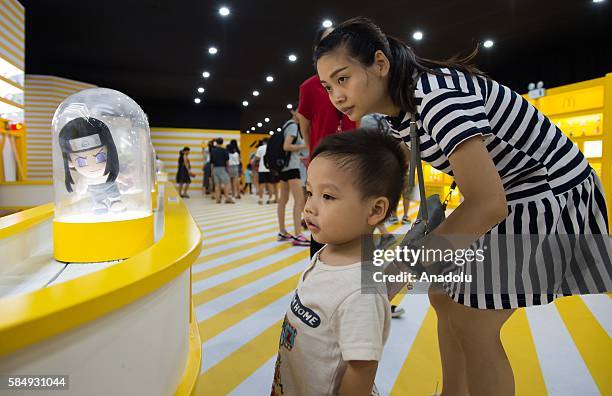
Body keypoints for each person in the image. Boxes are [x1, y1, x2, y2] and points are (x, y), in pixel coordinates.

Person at [314, 17, 610, 395]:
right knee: (441, 293)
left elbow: (488, 204)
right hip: (510, 192)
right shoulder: (398, 115)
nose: (335, 95)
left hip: (546, 192)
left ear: (380, 64)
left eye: (343, 78)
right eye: (327, 86)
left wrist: (397, 273)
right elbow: (388, 186)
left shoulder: (437, 98)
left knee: (474, 323)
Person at [271, 129, 406, 396]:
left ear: (376, 210)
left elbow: (362, 369)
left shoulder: (359, 292)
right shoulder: (327, 253)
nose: (309, 206)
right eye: (310, 192)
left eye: (328, 197)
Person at [296, 25, 358, 258]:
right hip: (323, 160)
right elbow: (304, 121)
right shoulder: (309, 86)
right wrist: (312, 150)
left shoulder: (354, 79)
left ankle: (353, 272)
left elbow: (357, 119)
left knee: (353, 214)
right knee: (320, 220)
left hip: (352, 158)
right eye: (328, 41)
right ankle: (317, 274)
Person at [276, 111, 309, 246]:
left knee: (283, 199)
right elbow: (287, 146)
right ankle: (298, 235)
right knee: (299, 200)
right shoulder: (293, 126)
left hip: (284, 167)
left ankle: (282, 232)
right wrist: (305, 146)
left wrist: (300, 156)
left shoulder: (286, 125)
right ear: (294, 112)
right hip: (292, 168)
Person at [210, 137, 233, 204]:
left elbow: (212, 163)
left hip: (215, 169)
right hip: (222, 169)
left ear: (216, 142)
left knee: (217, 185)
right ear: (222, 142)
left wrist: (212, 171)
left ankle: (217, 199)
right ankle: (226, 198)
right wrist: (228, 170)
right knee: (226, 184)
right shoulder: (224, 150)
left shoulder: (213, 151)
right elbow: (227, 162)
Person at [254, 138, 277, 204]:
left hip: (262, 169)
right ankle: (270, 198)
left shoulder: (260, 148)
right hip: (271, 168)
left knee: (261, 184)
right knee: (270, 184)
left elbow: (257, 158)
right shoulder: (273, 147)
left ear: (263, 142)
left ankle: (260, 199)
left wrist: (255, 164)